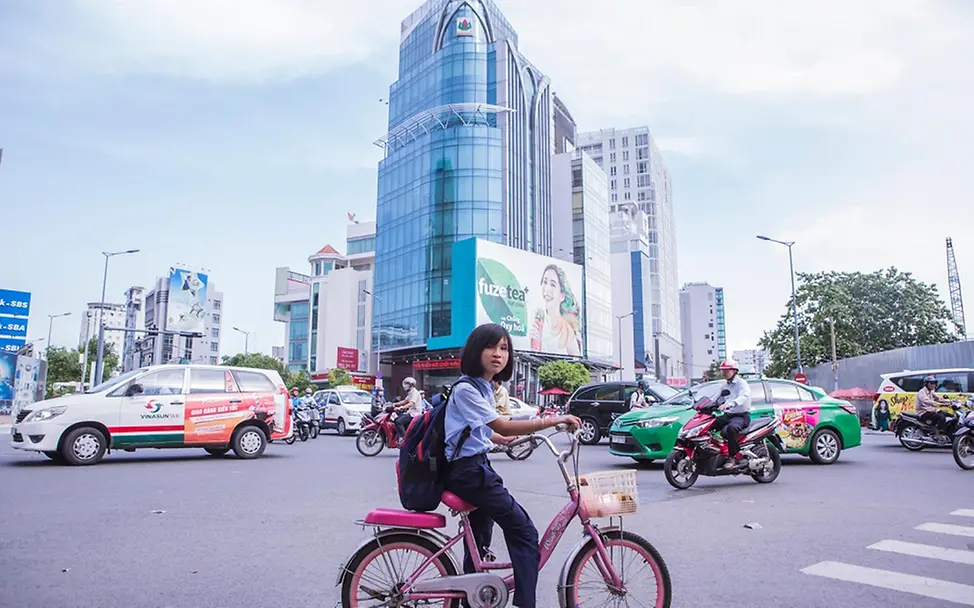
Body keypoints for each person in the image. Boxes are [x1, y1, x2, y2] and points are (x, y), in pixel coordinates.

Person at [443, 323, 581, 608]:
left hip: (474, 468)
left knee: (479, 539)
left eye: (504, 348)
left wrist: (503, 439)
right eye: (490, 347)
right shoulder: (466, 389)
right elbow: (501, 424)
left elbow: (483, 429)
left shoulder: (483, 387)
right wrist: (553, 420)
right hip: (468, 472)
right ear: (475, 350)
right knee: (525, 532)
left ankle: (472, 599)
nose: (498, 354)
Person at [529, 265, 582, 356]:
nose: (547, 289)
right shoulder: (536, 319)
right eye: (545, 282)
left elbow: (577, 361)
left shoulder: (566, 330)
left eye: (553, 285)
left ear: (562, 295)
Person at [711, 358, 751, 468]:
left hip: (741, 416)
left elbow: (744, 396)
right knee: (708, 425)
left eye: (726, 370)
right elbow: (716, 397)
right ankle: (714, 452)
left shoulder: (742, 384)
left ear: (734, 371)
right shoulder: (725, 385)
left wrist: (731, 404)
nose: (724, 373)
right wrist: (703, 404)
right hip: (728, 415)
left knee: (731, 429)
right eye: (723, 370)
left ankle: (733, 457)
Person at [916, 375, 951, 439]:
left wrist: (950, 401)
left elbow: (939, 398)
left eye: (934, 383)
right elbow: (926, 401)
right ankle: (936, 434)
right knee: (941, 418)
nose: (933, 385)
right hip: (924, 412)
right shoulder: (921, 392)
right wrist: (939, 404)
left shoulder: (931, 391)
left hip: (931, 410)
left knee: (949, 415)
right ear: (926, 384)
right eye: (931, 383)